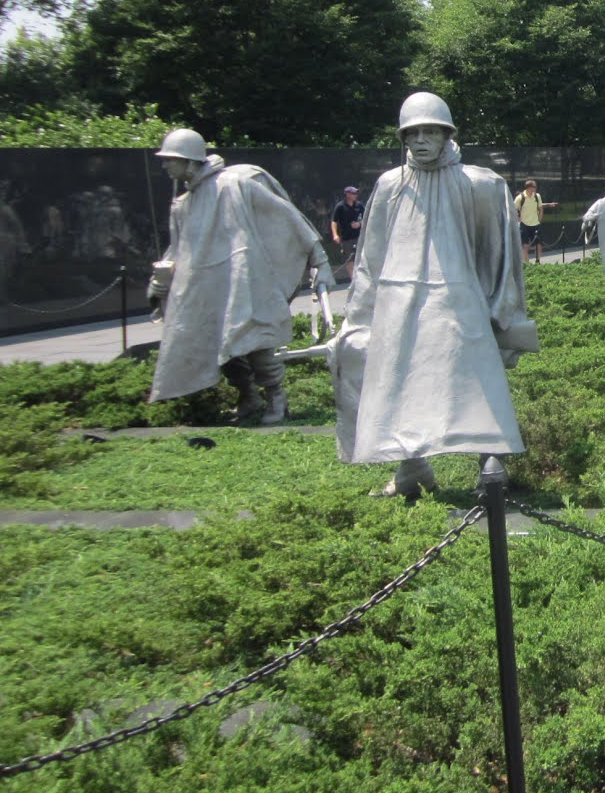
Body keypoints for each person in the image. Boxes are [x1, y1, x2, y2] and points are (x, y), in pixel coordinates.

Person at [330, 92, 537, 498]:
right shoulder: (391, 185)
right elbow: (371, 255)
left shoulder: (479, 183)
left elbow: (499, 253)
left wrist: (500, 307)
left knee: (478, 378)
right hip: (397, 302)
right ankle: (412, 467)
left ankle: (490, 462)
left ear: (447, 134)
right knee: (398, 381)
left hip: (459, 300)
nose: (421, 140)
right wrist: (360, 315)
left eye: (430, 132)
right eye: (413, 133)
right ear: (403, 138)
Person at [147, 128, 333, 425]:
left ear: (189, 160)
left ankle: (276, 397)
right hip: (207, 287)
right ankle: (247, 396)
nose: (165, 165)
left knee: (255, 341)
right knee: (223, 345)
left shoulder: (233, 184)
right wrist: (161, 281)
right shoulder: (182, 205)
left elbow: (286, 217)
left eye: (171, 159)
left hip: (245, 280)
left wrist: (319, 259)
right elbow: (179, 248)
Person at [513, 179, 556, 263]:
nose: (535, 188)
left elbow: (540, 208)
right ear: (529, 188)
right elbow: (513, 209)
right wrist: (518, 219)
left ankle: (537, 261)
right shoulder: (520, 198)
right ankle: (527, 263)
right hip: (524, 224)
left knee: (538, 244)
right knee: (525, 245)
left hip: (535, 224)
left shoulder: (537, 196)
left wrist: (539, 220)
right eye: (534, 187)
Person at [330, 186, 364, 280]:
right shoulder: (340, 206)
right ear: (347, 194)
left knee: (361, 257)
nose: (355, 195)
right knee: (349, 260)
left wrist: (359, 224)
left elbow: (366, 218)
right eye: (353, 193)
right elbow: (334, 221)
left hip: (359, 237)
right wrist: (335, 235)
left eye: (356, 193)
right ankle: (353, 280)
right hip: (346, 238)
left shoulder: (359, 205)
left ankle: (361, 279)